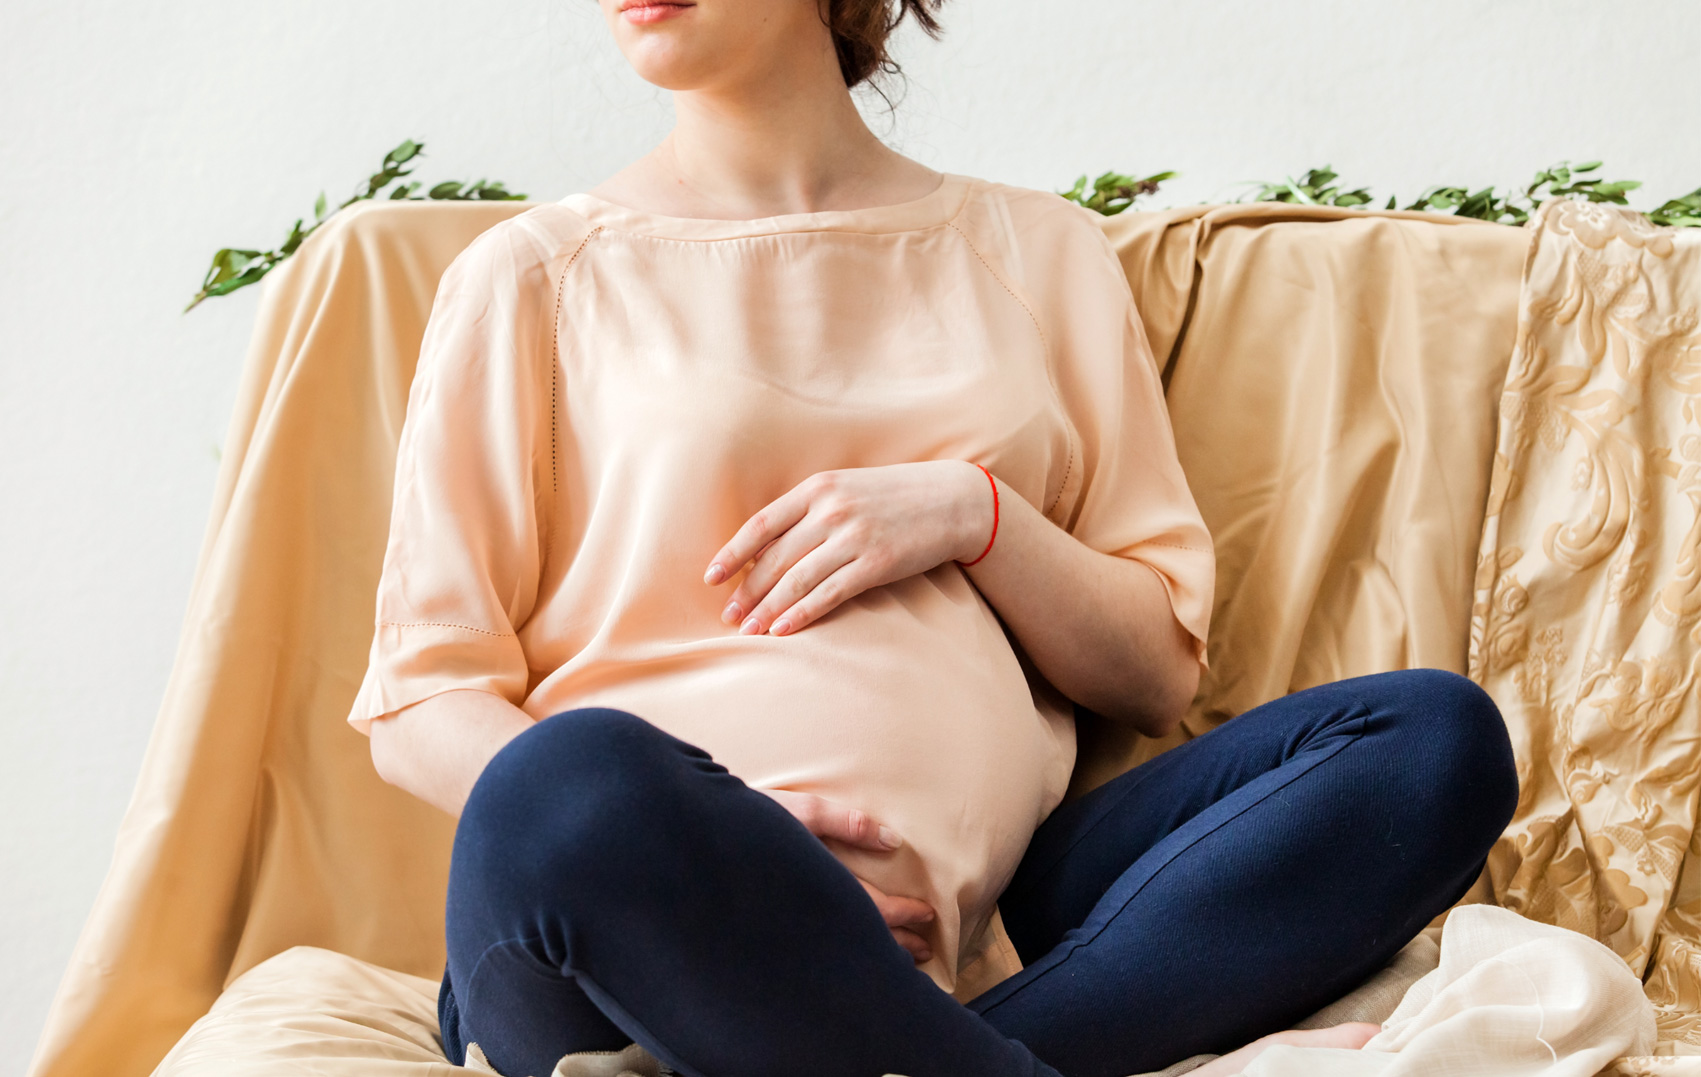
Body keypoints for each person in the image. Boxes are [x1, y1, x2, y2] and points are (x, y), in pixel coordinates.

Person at [347, 1, 1520, 1075]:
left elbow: (1155, 669)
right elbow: (419, 701)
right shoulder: (532, 281)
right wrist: (750, 864)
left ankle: (898, 1044)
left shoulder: (1037, 255)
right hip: (628, 922)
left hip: (981, 912)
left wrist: (975, 513)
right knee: (567, 781)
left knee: (1429, 742)